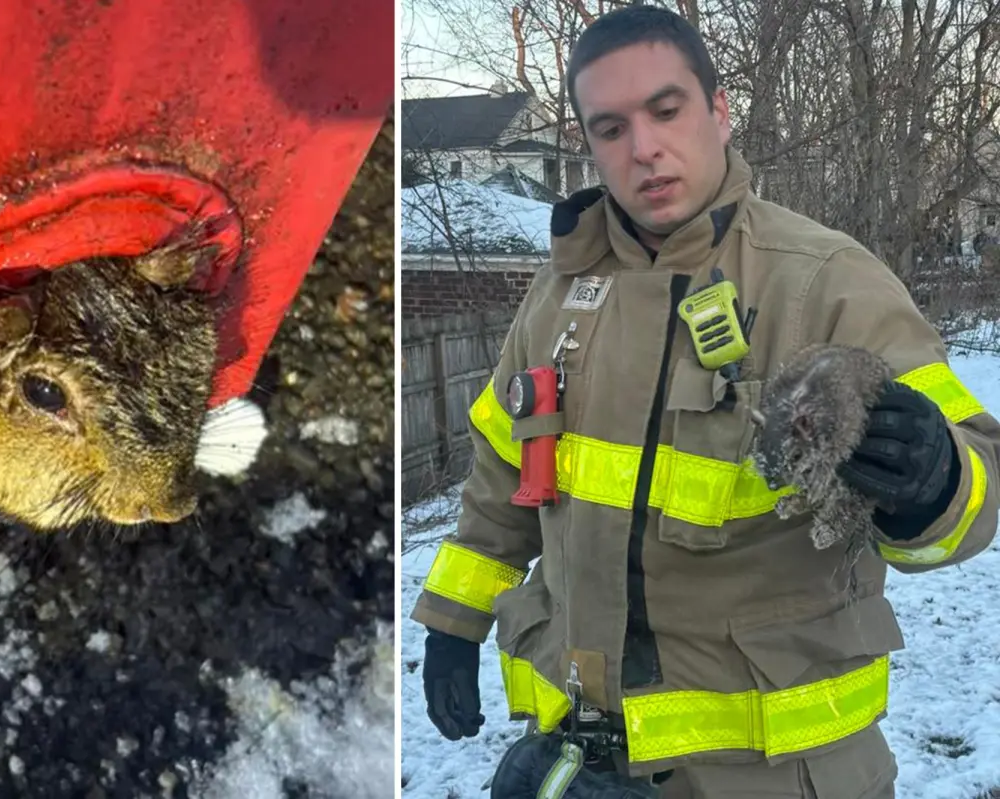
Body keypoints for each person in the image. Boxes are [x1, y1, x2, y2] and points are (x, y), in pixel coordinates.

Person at [410, 6, 1000, 798]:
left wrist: (935, 481)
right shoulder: (556, 299)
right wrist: (454, 621)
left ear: (719, 111)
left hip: (774, 774)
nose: (644, 147)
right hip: (581, 758)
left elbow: (978, 490)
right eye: (611, 127)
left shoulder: (825, 279)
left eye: (666, 109)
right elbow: (500, 476)